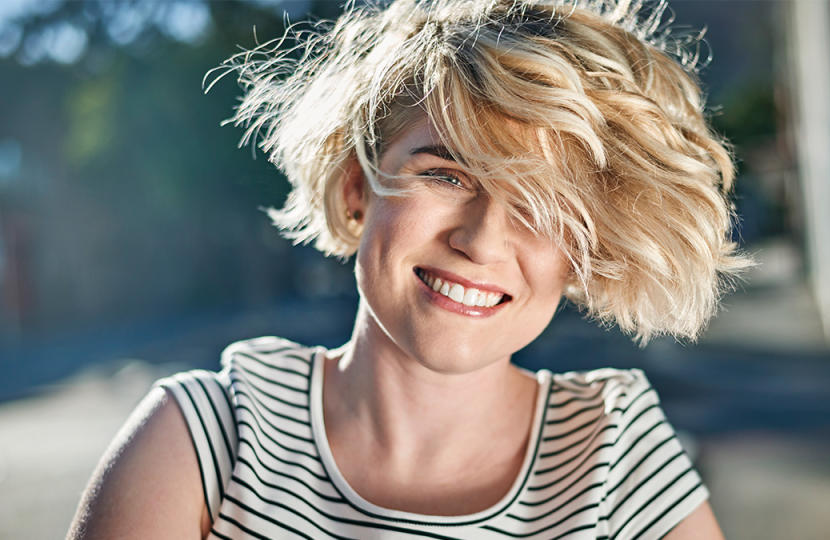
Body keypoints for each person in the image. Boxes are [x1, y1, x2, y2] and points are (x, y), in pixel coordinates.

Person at [68, 0, 749, 537]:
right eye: (447, 176)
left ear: (586, 246)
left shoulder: (617, 455)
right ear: (357, 185)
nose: (482, 242)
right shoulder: (200, 441)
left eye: (542, 207)